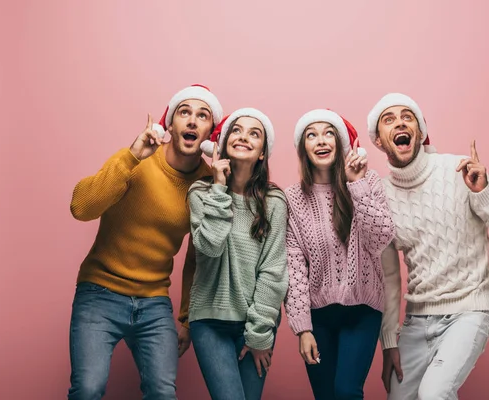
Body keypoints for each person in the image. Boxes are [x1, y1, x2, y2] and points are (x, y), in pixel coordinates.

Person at [366, 93, 489, 400]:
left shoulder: (460, 171)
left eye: (407, 116)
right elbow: (389, 277)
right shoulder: (380, 196)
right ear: (378, 140)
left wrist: (486, 194)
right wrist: (389, 342)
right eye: (388, 119)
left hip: (468, 310)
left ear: (421, 131)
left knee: (434, 393)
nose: (400, 122)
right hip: (417, 320)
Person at [68, 84, 223, 400]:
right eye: (185, 112)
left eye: (202, 115)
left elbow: (198, 256)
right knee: (88, 388)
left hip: (153, 302)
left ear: (210, 132)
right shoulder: (137, 160)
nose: (192, 121)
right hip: (99, 293)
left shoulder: (208, 183)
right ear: (170, 124)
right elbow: (81, 208)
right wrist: (132, 155)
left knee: (162, 392)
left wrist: (186, 320)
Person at [284, 109, 396, 399]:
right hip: (318, 315)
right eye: (311, 135)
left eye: (328, 133)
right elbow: (294, 268)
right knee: (325, 395)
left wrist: (356, 184)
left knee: (346, 391)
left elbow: (382, 237)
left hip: (363, 310)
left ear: (341, 142)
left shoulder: (368, 181)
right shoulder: (293, 199)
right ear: (304, 148)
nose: (320, 141)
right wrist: (302, 328)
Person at [185, 108, 288, 400]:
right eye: (237, 130)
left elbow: (274, 269)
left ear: (263, 153)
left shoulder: (275, 202)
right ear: (224, 142)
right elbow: (209, 247)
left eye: (254, 133)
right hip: (209, 320)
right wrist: (219, 186)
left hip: (256, 322)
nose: (243, 137)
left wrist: (258, 334)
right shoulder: (200, 193)